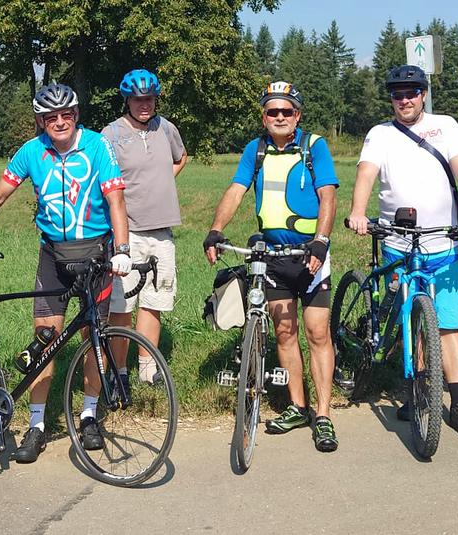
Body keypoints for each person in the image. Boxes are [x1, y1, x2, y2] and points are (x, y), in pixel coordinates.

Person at [0, 83, 131, 464]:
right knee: (46, 340)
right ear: (41, 121)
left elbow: (115, 199)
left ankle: (89, 416)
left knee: (95, 339)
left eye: (66, 115)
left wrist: (123, 250)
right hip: (53, 256)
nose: (59, 122)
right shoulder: (32, 151)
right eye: (50, 117)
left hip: (96, 254)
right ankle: (37, 424)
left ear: (76, 115)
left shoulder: (97, 146)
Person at [345, 65, 458, 439]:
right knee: (411, 318)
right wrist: (358, 212)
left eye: (411, 92)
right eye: (398, 94)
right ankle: (419, 389)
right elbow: (366, 174)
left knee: (449, 324)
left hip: (442, 242)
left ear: (423, 94)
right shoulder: (380, 134)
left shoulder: (446, 126)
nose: (405, 100)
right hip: (397, 242)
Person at [203, 81, 341, 452]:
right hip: (273, 258)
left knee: (317, 333)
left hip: (310, 256)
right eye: (272, 111)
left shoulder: (314, 146)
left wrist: (321, 240)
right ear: (264, 116)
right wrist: (216, 229)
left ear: (297, 115)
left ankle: (323, 415)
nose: (279, 117)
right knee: (284, 332)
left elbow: (328, 195)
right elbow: (236, 190)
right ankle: (298, 406)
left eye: (286, 111)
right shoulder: (256, 149)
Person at [102, 68, 188, 386]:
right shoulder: (111, 134)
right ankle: (119, 372)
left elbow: (181, 158)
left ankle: (147, 369)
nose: (144, 105)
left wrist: (162, 181)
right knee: (122, 305)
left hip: (162, 231)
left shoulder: (166, 128)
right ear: (127, 100)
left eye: (149, 99)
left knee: (154, 302)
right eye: (138, 99)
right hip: (128, 232)